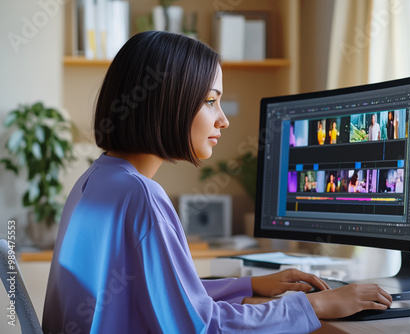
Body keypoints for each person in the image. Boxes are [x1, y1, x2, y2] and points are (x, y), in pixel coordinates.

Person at [42, 31, 392, 333]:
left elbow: (169, 298)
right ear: (167, 103)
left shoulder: (97, 179)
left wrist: (249, 285)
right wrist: (315, 306)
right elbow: (202, 327)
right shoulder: (141, 196)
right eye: (211, 101)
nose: (223, 120)